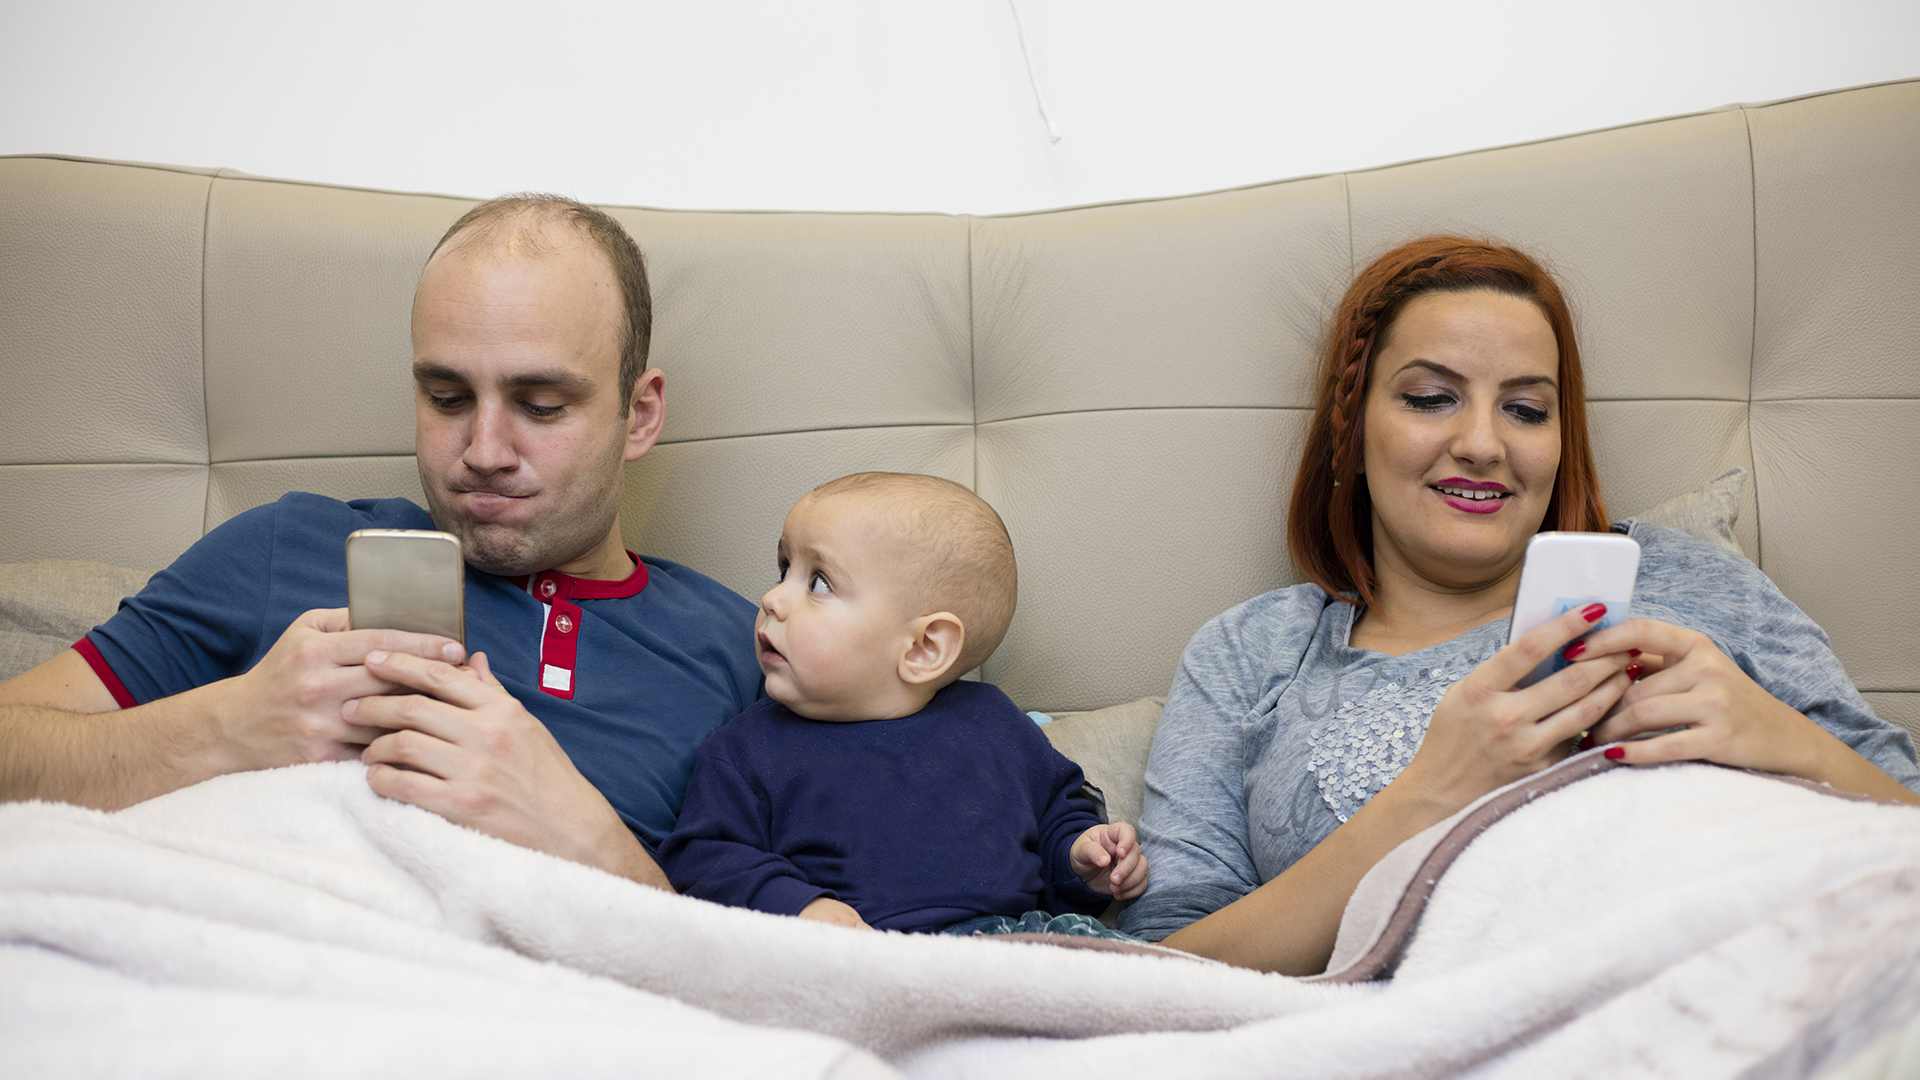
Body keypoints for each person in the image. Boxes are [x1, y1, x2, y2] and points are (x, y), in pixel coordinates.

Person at [1117, 236, 1920, 974]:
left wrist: (1781, 739)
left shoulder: (1687, 578)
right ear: (1352, 430)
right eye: (1431, 397)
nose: (1483, 443)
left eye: (1527, 409)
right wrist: (1433, 793)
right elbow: (1162, 977)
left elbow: (1903, 824)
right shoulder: (1250, 653)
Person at [0, 195, 761, 888]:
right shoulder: (287, 546)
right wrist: (227, 730)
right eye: (447, 398)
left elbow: (794, 957)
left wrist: (591, 841)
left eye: (539, 404)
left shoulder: (741, 652)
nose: (484, 449)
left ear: (643, 412)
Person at [658, 472, 1148, 935]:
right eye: (786, 569)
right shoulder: (744, 750)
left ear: (923, 649)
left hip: (1016, 944)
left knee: (1139, 971)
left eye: (818, 583)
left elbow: (1056, 817)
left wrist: (1084, 859)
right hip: (851, 956)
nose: (771, 598)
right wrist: (800, 906)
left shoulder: (995, 723)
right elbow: (702, 860)